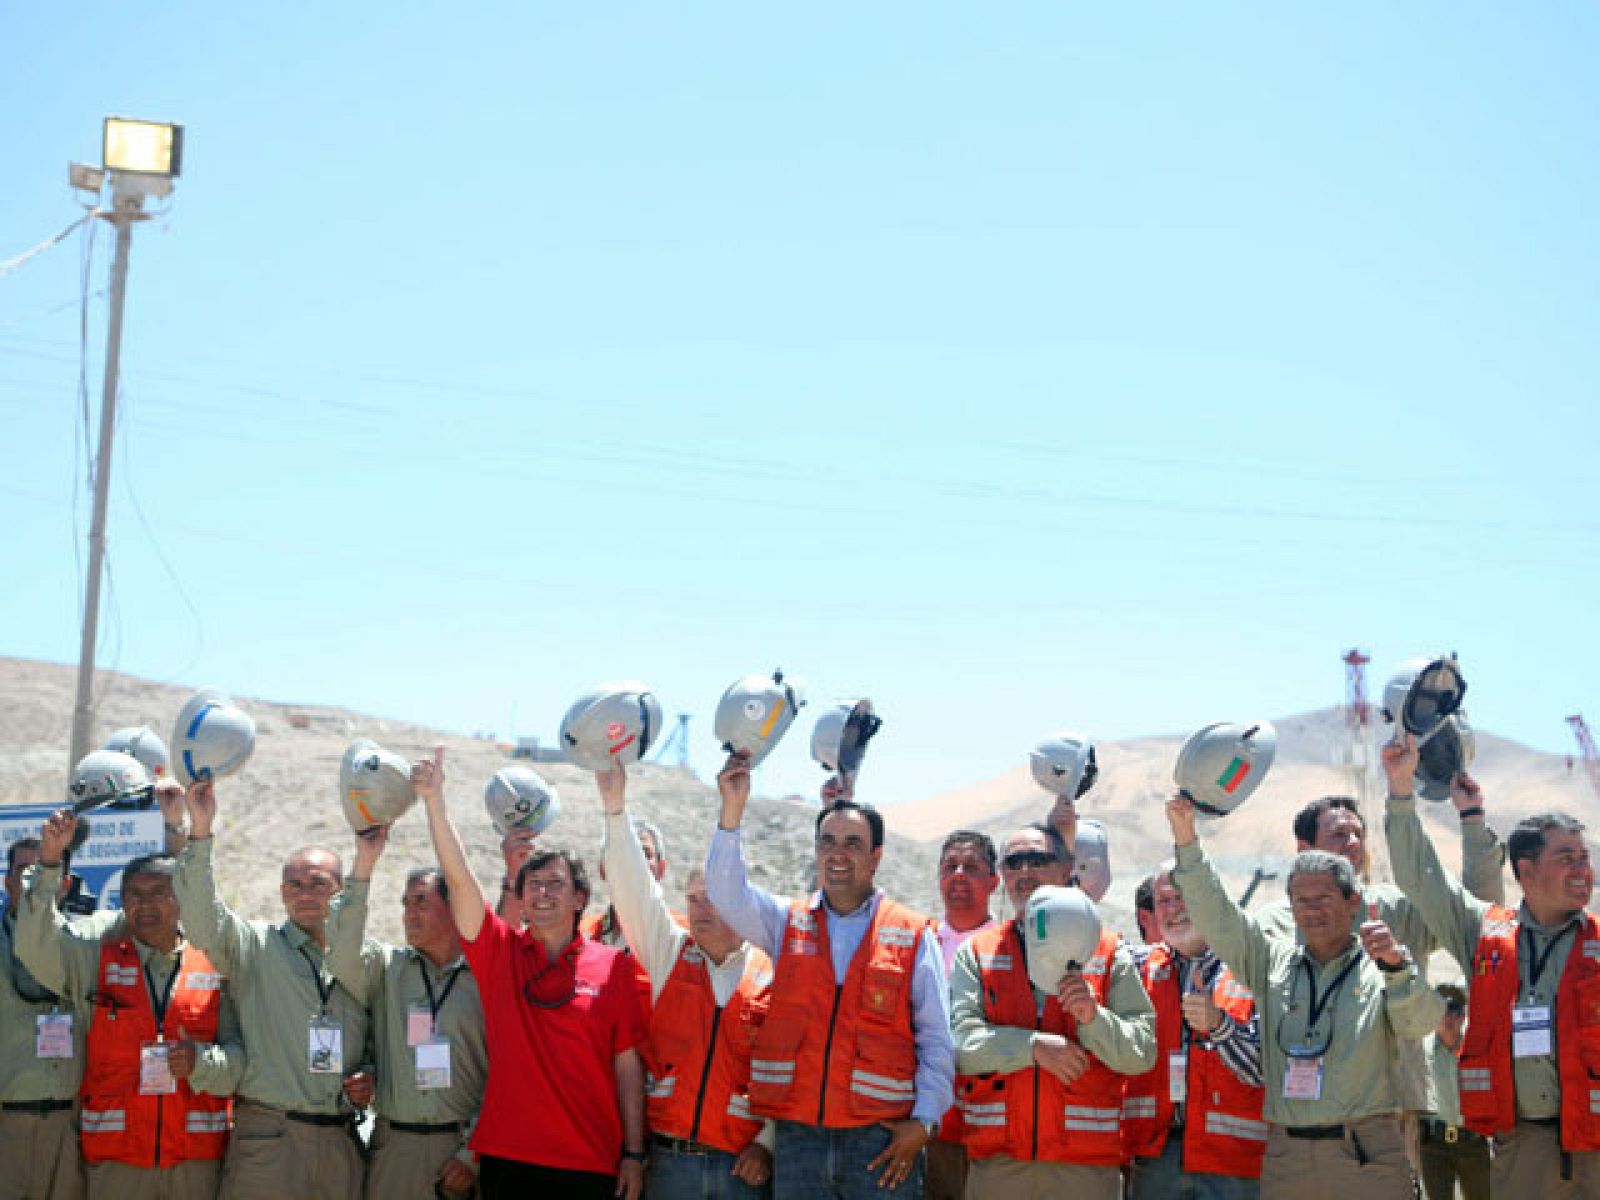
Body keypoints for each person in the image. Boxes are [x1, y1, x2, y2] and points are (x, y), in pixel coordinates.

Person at [1166, 792, 1442, 1199]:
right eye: (1302, 901)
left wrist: (1398, 969)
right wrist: (1187, 840)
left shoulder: (1381, 963)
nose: (1312, 911)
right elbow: (1217, 915)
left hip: (1366, 1152)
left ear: (1353, 902)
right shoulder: (1270, 961)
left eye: (1324, 899)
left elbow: (1421, 1022)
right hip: (1288, 1156)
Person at [707, 752, 954, 1199]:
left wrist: (925, 1122)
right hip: (801, 1137)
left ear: (876, 856)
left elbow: (936, 1036)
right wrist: (732, 811)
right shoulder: (787, 922)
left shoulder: (913, 935)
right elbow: (726, 893)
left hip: (880, 1140)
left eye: (852, 844)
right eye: (828, 842)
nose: (838, 855)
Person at [415, 748, 648, 1199]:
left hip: (589, 1161)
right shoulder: (500, 954)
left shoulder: (614, 965)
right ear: (519, 899)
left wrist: (634, 1155)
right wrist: (434, 803)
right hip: (509, 1158)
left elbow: (627, 1066)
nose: (541, 893)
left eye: (555, 884)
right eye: (532, 885)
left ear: (580, 898)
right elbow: (460, 880)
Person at [1382, 735, 1600, 1195]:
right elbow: (1421, 879)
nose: (1583, 869)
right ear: (1525, 871)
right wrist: (1401, 792)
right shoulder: (1485, 935)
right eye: (1566, 858)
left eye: (1585, 858)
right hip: (1522, 1148)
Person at [16, 811, 243, 1200]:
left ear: (180, 900)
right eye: (134, 895)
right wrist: (49, 862)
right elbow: (35, 947)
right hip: (117, 1159)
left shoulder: (214, 963)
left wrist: (202, 1062)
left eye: (158, 892)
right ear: (122, 903)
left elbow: (243, 1058)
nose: (146, 904)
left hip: (194, 1161)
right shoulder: (96, 961)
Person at [173, 780, 377, 1200]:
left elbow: (382, 1037)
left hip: (340, 1142)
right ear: (282, 893)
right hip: (271, 1140)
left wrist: (372, 1075)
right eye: (293, 886)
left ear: (341, 892)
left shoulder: (367, 959)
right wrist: (201, 830)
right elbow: (200, 921)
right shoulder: (254, 946)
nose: (304, 895)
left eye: (318, 883)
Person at [949, 822, 1155, 1199]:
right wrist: (1033, 1048)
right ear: (1003, 876)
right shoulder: (977, 953)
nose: (1025, 872)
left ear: (1066, 870)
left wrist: (1095, 1019)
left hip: (1084, 1170)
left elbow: (1141, 1053)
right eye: (1014, 862)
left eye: (1038, 859)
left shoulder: (1110, 952)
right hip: (999, 1166)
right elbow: (961, 1046)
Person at [596, 766, 774, 1198]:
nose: (700, 909)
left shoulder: (773, 973)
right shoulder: (670, 953)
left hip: (741, 1170)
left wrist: (768, 1144)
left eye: (712, 896)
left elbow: (794, 1069)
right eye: (693, 898)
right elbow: (635, 888)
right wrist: (615, 809)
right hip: (669, 1165)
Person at [324, 829, 487, 1200]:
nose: (408, 915)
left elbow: (506, 1075)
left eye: (421, 902)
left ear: (453, 906)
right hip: (395, 1149)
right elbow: (341, 952)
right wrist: (364, 865)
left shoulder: (484, 977)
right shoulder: (388, 967)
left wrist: (473, 1153)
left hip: (463, 1152)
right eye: (404, 903)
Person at [1124, 865, 1266, 1200]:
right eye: (1163, 901)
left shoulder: (1252, 967)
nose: (1172, 910)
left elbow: (1265, 1070)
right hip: (1156, 1159)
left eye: (1183, 898)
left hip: (1232, 1161)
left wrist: (1220, 1027)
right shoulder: (1136, 970)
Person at [0, 837, 90, 1200]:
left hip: (70, 1131)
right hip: (7, 1130)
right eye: (24, 871)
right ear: (7, 881)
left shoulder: (86, 944)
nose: (33, 883)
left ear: (64, 884)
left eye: (44, 872)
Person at [925, 830, 999, 1200]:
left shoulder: (1007, 949)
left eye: (971, 867)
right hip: (926, 1124)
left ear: (994, 881)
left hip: (988, 1124)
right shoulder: (918, 943)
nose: (958, 875)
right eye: (949, 866)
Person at [1417, 984, 1488, 1200]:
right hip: (1434, 1145)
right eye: (1441, 1011)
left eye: (1453, 1012)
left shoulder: (1477, 1051)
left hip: (1472, 1142)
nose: (1447, 1018)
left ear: (1463, 1016)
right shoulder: (1420, 1051)